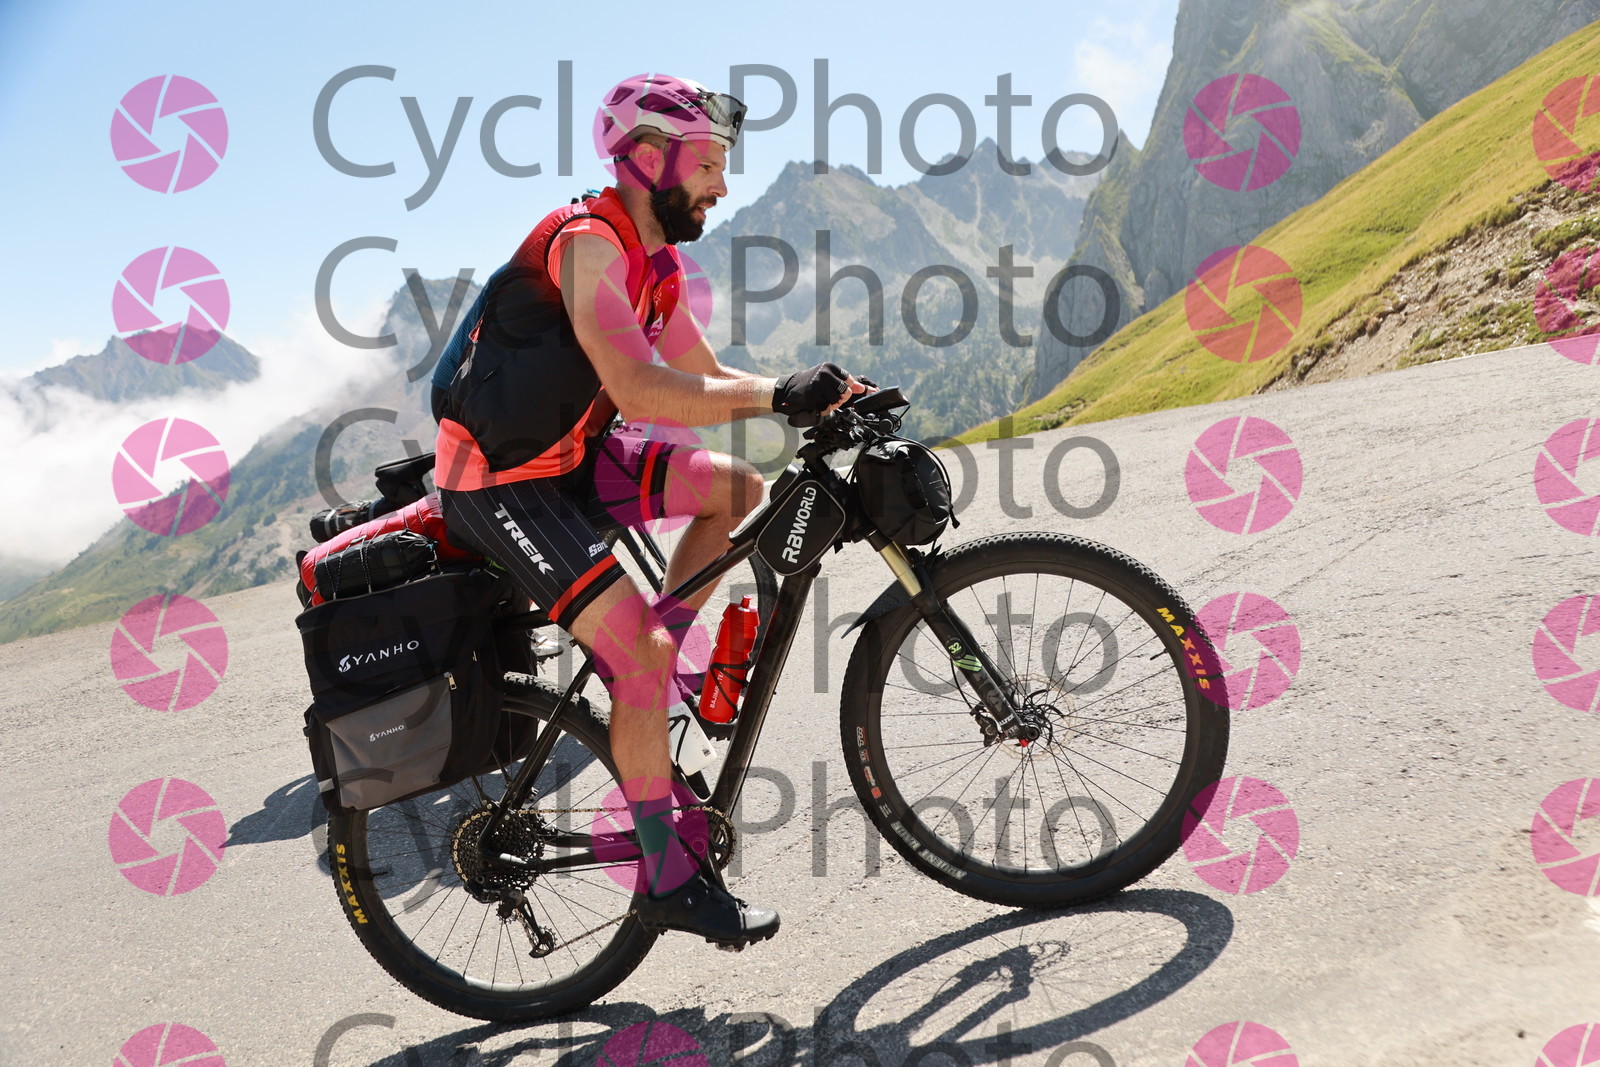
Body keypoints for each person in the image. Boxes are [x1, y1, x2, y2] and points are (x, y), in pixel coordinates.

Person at [432, 73, 866, 949]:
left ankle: (654, 678)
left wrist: (813, 397)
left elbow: (703, 380)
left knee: (735, 490)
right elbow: (638, 387)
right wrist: (777, 394)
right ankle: (665, 876)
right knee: (638, 652)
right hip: (498, 482)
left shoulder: (655, 265)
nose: (722, 185)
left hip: (573, 459)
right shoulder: (588, 245)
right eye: (708, 165)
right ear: (646, 158)